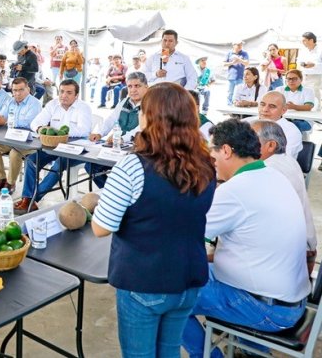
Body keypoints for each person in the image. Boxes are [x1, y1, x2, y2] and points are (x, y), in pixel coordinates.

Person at [90, 82, 215, 357]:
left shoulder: (132, 166)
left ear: (150, 117)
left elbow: (101, 228)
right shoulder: (206, 164)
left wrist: (96, 204)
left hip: (144, 280)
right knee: (169, 351)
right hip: (189, 278)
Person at [181, 119, 309, 358]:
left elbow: (184, 237)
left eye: (212, 153)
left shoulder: (236, 190)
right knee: (194, 272)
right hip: (288, 300)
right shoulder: (272, 175)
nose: (211, 161)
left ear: (226, 150)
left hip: (267, 308)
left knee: (163, 293)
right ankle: (253, 353)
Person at [14, 79, 92, 213]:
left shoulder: (83, 107)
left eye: (69, 93)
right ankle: (28, 199)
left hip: (76, 149)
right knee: (31, 160)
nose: (64, 95)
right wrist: (40, 129)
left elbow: (84, 130)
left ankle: (32, 200)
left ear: (76, 95)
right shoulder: (53, 104)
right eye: (61, 92)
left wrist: (57, 132)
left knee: (58, 165)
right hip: (53, 146)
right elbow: (35, 123)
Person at [251, 120, 316, 274]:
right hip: (302, 251)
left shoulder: (268, 170)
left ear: (270, 145)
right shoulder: (287, 161)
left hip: (288, 260)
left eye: (249, 140)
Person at [85, 72, 149, 187]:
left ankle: (119, 192)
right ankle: (110, 191)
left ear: (146, 87)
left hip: (139, 149)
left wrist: (122, 138)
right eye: (130, 86)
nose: (133, 90)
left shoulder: (150, 104)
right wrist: (99, 133)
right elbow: (111, 119)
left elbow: (142, 128)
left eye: (137, 86)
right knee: (91, 166)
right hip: (120, 147)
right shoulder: (124, 101)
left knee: (124, 172)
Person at [0, 77, 43, 195]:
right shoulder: (10, 101)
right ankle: (1, 179)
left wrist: (6, 122)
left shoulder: (34, 103)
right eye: (15, 90)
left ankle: (10, 183)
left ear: (28, 89)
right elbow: (1, 115)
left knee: (14, 153)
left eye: (21, 90)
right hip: (11, 137)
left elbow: (29, 123)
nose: (17, 93)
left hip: (28, 141)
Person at [245, 91, 302, 159]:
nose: (265, 109)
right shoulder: (245, 123)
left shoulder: (291, 132)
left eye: (272, 106)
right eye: (262, 104)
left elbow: (281, 159)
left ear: (284, 110)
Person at [297, 31, 322, 109]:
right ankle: (306, 108)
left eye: (304, 40)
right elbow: (298, 61)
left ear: (311, 40)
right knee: (304, 92)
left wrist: (314, 65)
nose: (302, 42)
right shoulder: (303, 50)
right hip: (304, 75)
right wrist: (302, 64)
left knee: (314, 92)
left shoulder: (320, 50)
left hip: (316, 76)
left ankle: (317, 109)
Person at [223, 41, 249, 106]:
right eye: (238, 45)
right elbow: (224, 64)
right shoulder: (229, 53)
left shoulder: (244, 53)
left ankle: (238, 105)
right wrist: (232, 63)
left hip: (241, 77)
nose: (240, 46)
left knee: (239, 92)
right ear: (233, 45)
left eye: (241, 45)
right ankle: (229, 105)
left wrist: (239, 59)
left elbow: (247, 63)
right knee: (230, 92)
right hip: (231, 76)